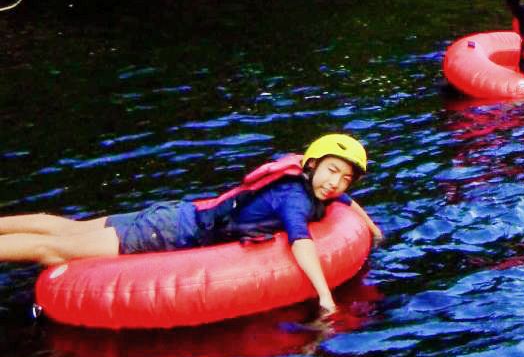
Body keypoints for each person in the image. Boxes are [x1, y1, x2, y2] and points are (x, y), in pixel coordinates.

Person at [0, 135, 383, 316]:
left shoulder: (306, 180)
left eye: (346, 178)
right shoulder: (296, 199)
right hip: (169, 232)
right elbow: (301, 242)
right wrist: (325, 298)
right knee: (51, 249)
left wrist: (371, 226)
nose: (336, 183)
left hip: (174, 214)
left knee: (64, 228)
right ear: (314, 165)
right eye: (332, 171)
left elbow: (341, 198)